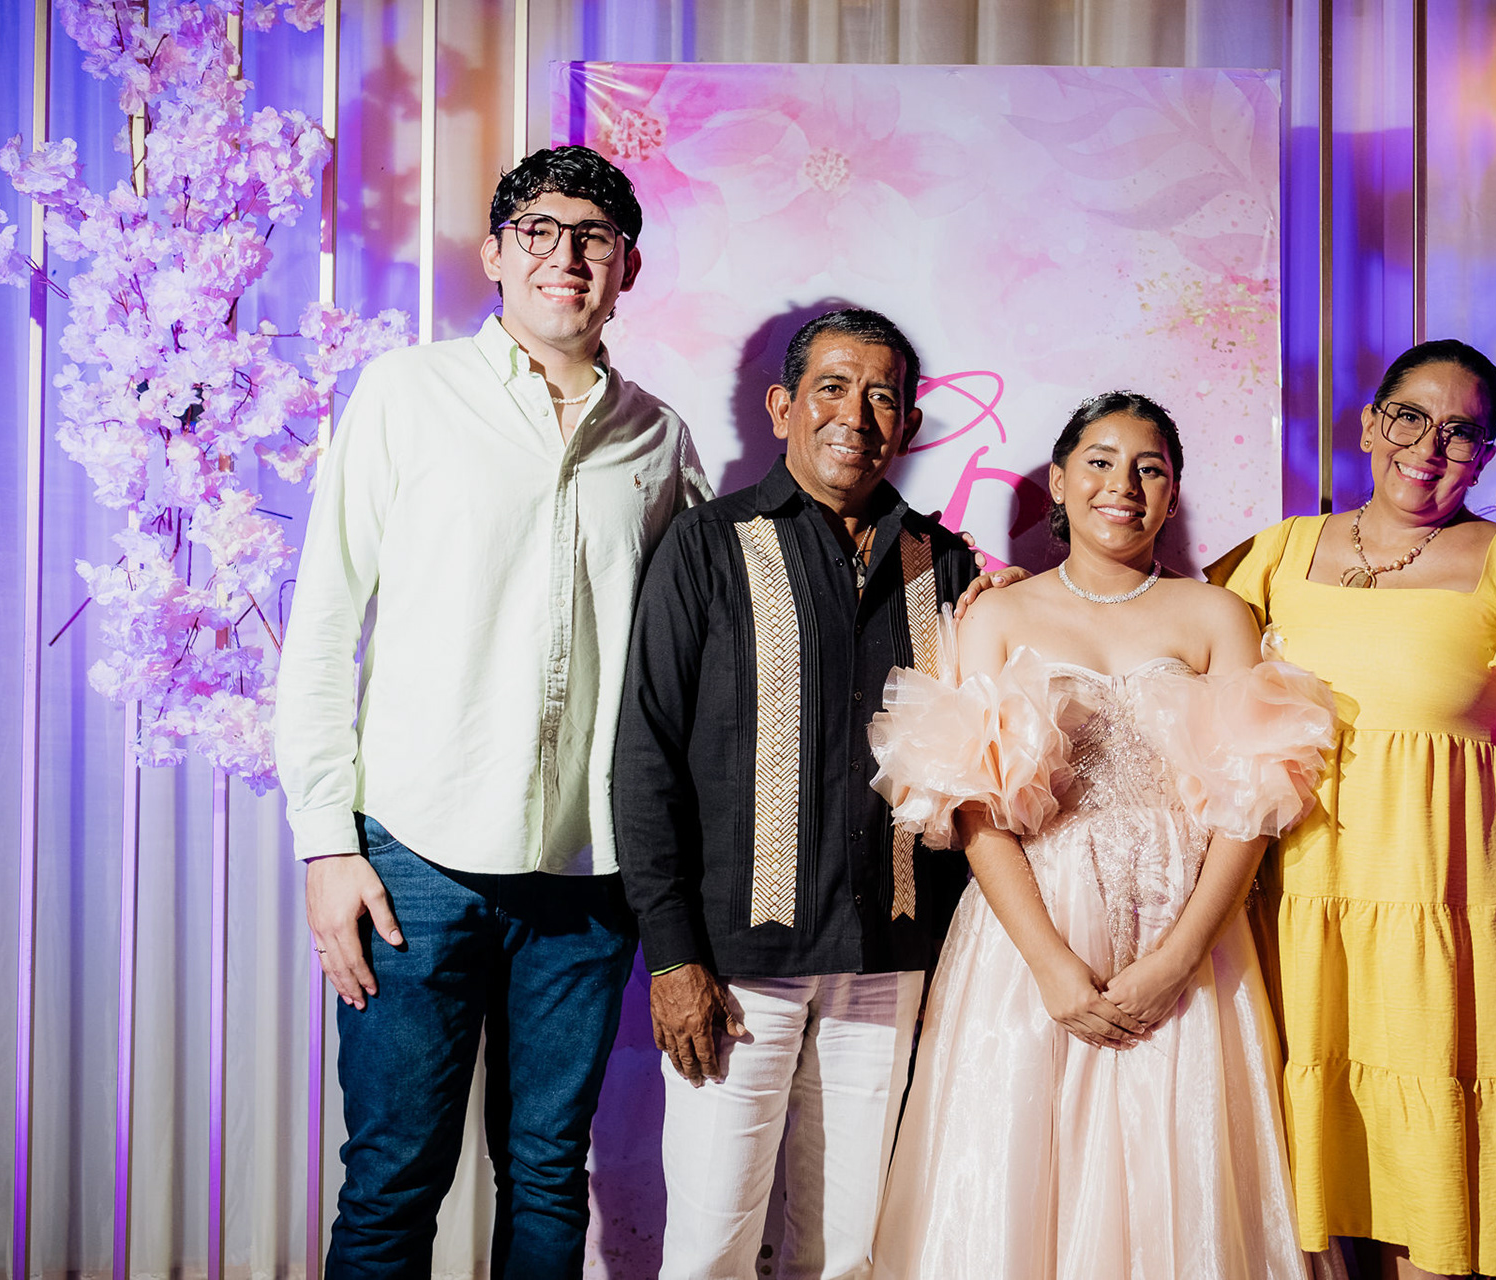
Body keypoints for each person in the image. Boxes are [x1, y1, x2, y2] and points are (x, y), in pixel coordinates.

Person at [276, 145, 711, 1277]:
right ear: (495, 254)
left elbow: (718, 626)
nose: (566, 256)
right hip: (413, 855)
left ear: (627, 268)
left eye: (594, 237)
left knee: (549, 1175)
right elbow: (324, 620)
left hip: (586, 872)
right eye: (540, 232)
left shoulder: (660, 436)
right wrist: (326, 842)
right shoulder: (405, 394)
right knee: (392, 1180)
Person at [864, 392, 1341, 1280]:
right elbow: (975, 807)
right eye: (1100, 461)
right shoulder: (997, 615)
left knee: (1180, 1179)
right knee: (1021, 1172)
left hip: (1187, 931)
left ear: (1172, 493)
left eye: (1149, 468)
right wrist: (1050, 964)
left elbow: (1252, 805)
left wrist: (1180, 957)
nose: (1123, 484)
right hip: (1032, 933)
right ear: (1057, 481)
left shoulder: (1216, 616)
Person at [1207, 339, 1496, 1280]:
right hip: (1298, 901)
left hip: (1454, 907)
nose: (1429, 448)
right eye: (1409, 417)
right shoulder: (1276, 554)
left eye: (1461, 433)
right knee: (1308, 1163)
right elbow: (1177, 661)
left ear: (1485, 458)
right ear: (1369, 425)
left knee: (1435, 1178)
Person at [612, 308, 988, 1280]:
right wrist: (673, 956)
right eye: (832, 387)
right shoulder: (707, 544)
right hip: (738, 967)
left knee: (851, 1250)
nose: (855, 415)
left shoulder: (945, 563)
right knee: (712, 1246)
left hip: (889, 959)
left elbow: (972, 760)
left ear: (909, 424)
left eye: (882, 397)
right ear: (783, 407)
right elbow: (645, 757)